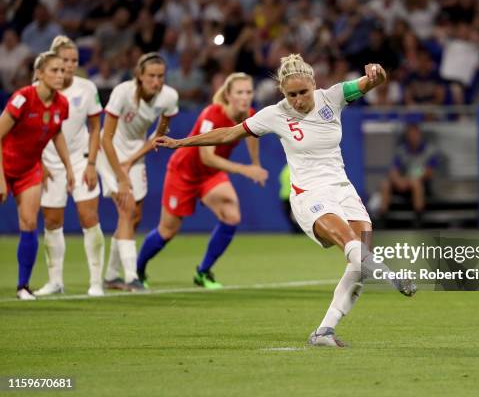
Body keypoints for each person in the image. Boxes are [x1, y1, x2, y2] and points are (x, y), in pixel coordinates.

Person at [154, 54, 416, 347]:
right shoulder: (274, 114)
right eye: (291, 95)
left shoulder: (334, 97)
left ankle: (324, 332)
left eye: (303, 92)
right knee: (351, 245)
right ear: (283, 92)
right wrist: (180, 142)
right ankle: (394, 275)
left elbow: (371, 82)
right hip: (309, 195)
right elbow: (229, 133)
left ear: (314, 85)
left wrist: (377, 74)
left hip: (343, 189)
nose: (299, 100)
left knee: (360, 264)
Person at [136, 72, 267, 288]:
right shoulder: (211, 114)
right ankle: (137, 271)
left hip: (210, 176)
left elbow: (252, 134)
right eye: (240, 92)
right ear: (228, 95)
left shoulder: (250, 114)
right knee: (167, 231)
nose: (245, 97)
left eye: (249, 92)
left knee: (231, 215)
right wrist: (245, 170)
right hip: (184, 173)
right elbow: (207, 157)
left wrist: (255, 164)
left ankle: (203, 272)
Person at [97, 52, 179, 292]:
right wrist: (121, 176)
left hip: (134, 157)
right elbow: (106, 137)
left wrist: (132, 160)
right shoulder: (122, 92)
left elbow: (158, 137)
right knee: (127, 209)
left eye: (160, 76)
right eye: (151, 76)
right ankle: (132, 277)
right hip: (109, 153)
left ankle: (111, 275)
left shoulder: (169, 97)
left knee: (134, 217)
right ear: (139, 76)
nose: (156, 81)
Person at [34, 36, 105, 297]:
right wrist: (39, 163)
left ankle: (96, 282)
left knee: (89, 217)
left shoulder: (86, 88)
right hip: (49, 161)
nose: (70, 66)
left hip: (80, 157)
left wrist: (91, 163)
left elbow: (96, 127)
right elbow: (31, 130)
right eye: (65, 60)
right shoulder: (39, 89)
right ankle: (55, 281)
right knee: (52, 221)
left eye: (74, 61)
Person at [0, 51, 73, 300]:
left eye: (62, 70)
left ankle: (23, 286)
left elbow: (56, 134)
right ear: (39, 74)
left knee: (29, 223)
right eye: (54, 70)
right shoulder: (23, 98)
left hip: (29, 169)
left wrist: (69, 168)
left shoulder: (62, 103)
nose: (60, 75)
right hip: (2, 164)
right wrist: (1, 178)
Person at [377, 124, 439, 227]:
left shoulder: (429, 151)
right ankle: (382, 218)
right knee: (385, 184)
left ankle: (418, 218)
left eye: (415, 134)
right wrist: (398, 181)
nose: (413, 137)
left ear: (420, 135)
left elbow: (429, 172)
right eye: (410, 135)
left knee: (416, 184)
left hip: (421, 183)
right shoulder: (401, 151)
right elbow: (393, 170)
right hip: (403, 182)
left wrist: (412, 180)